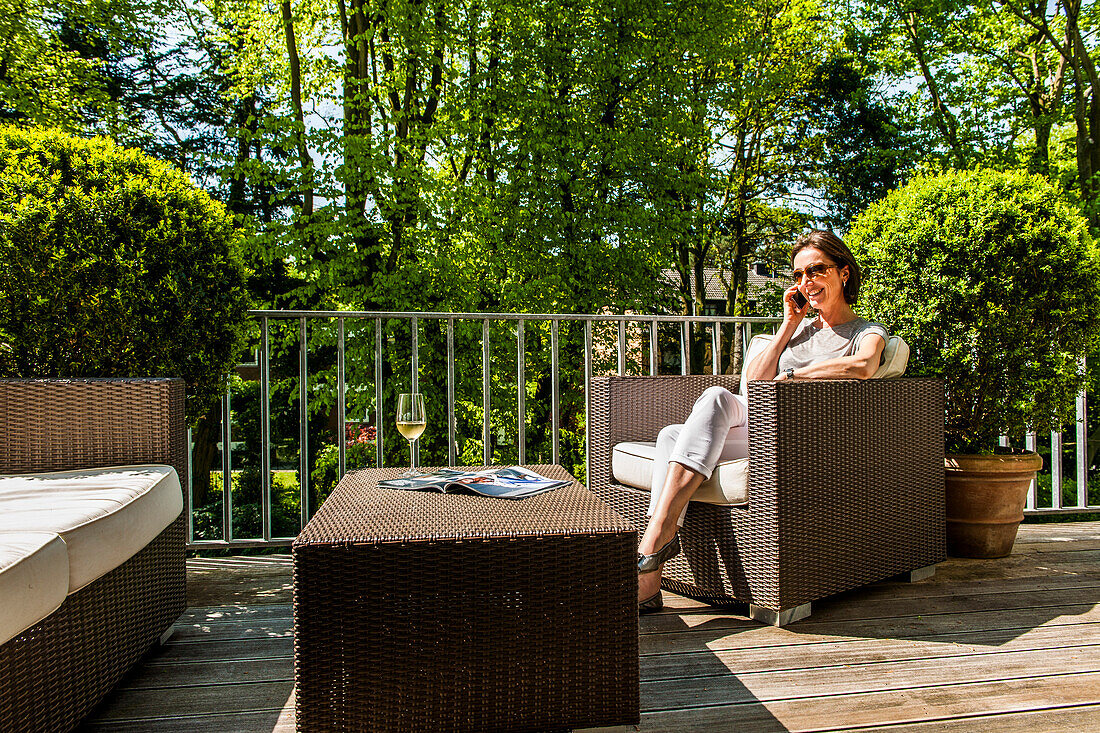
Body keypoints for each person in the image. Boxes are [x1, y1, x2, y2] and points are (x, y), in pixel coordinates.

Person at [637, 230, 889, 612]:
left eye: (817, 270)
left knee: (712, 401)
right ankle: (656, 545)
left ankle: (653, 545)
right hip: (761, 428)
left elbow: (864, 365)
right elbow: (754, 385)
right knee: (673, 433)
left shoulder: (864, 331)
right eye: (799, 275)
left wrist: (794, 377)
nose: (807, 282)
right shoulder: (798, 330)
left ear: (844, 273)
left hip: (800, 437)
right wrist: (789, 324)